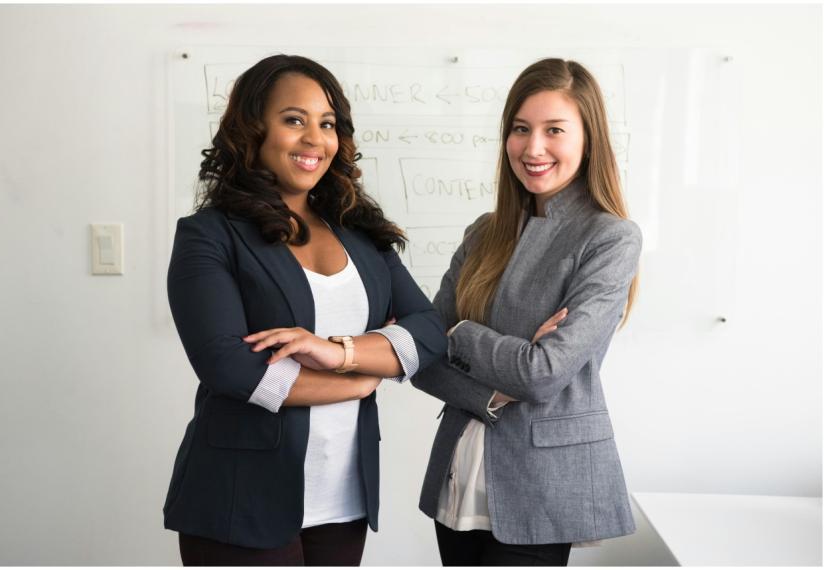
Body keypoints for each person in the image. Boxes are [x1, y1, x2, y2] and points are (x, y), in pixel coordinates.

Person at [163, 54, 446, 566]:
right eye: (294, 119)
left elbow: (428, 332)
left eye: (327, 123)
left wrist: (336, 353)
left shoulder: (361, 233)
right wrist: (359, 379)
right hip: (240, 498)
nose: (315, 138)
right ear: (252, 130)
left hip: (343, 499)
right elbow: (229, 367)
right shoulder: (209, 235)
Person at [411, 58, 641, 566]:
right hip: (459, 471)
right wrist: (490, 391)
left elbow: (542, 374)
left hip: (542, 483)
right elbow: (423, 357)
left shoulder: (609, 238)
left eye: (554, 130)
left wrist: (461, 332)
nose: (532, 148)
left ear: (589, 138)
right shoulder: (483, 232)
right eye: (520, 129)